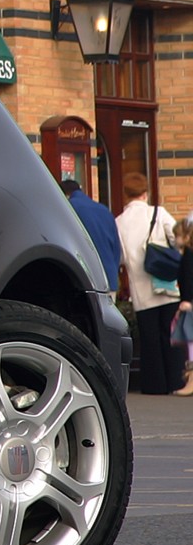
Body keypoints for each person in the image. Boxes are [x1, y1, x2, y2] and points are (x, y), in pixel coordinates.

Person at [117, 170, 185, 395]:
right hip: (168, 285)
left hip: (142, 291)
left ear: (126, 194)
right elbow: (178, 238)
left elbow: (120, 258)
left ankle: (154, 385)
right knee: (171, 336)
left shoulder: (120, 222)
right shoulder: (159, 212)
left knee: (150, 340)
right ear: (145, 192)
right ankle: (176, 382)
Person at [66, 176, 120, 291]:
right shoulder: (103, 209)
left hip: (84, 278)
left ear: (65, 195)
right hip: (109, 276)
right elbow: (116, 248)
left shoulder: (68, 208)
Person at [175, 216, 193, 398]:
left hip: (190, 304)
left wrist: (187, 300)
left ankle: (192, 380)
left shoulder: (189, 254)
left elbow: (187, 278)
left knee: (191, 341)